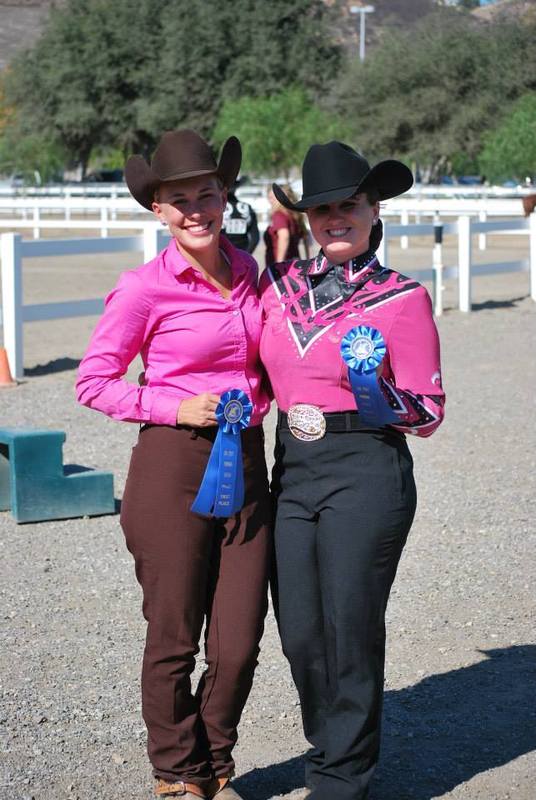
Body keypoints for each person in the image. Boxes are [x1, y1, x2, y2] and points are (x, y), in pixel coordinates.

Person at [76, 129, 272, 800]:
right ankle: (180, 771)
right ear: (158, 210)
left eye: (207, 194)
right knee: (174, 635)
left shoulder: (252, 274)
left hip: (246, 458)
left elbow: (270, 362)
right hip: (172, 462)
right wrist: (173, 407)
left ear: (225, 197)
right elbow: (93, 382)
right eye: (179, 199)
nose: (196, 210)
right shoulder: (141, 290)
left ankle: (214, 755)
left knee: (240, 640)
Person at [259, 141, 445, 800]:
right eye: (324, 209)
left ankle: (341, 779)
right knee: (302, 633)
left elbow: (428, 412)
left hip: (367, 469)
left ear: (373, 210)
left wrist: (378, 391)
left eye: (350, 205)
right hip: (295, 468)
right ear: (308, 219)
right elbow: (251, 375)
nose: (336, 217)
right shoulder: (277, 289)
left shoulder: (404, 298)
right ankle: (332, 744)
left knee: (349, 626)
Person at [264, 184, 309, 267]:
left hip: (283, 266)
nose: (270, 201)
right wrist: (308, 259)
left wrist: (279, 265)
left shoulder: (279, 215)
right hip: (295, 262)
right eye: (269, 197)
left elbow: (284, 237)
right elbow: (306, 238)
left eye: (272, 198)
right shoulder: (295, 215)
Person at [221, 179, 260, 253]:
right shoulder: (247, 207)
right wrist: (247, 254)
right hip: (243, 252)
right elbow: (255, 238)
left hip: (223, 254)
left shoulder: (217, 208)